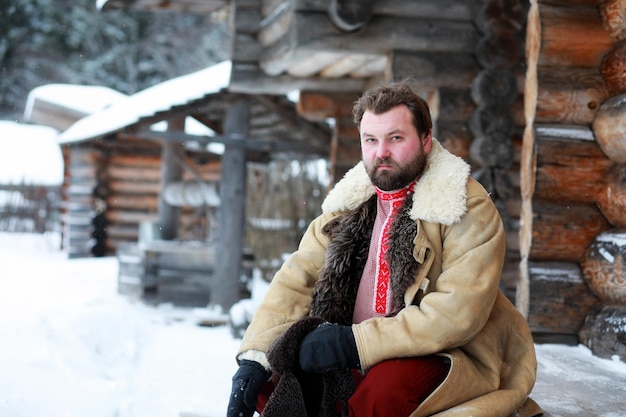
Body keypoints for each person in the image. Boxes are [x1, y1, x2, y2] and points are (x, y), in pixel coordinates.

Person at [227, 82, 541, 417]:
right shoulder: (346, 206)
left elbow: (456, 315)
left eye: (395, 138)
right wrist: (255, 356)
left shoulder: (463, 205)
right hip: (352, 350)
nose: (381, 152)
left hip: (449, 353)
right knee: (266, 381)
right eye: (371, 140)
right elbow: (296, 278)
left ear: (425, 138)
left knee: (382, 393)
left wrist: (353, 344)